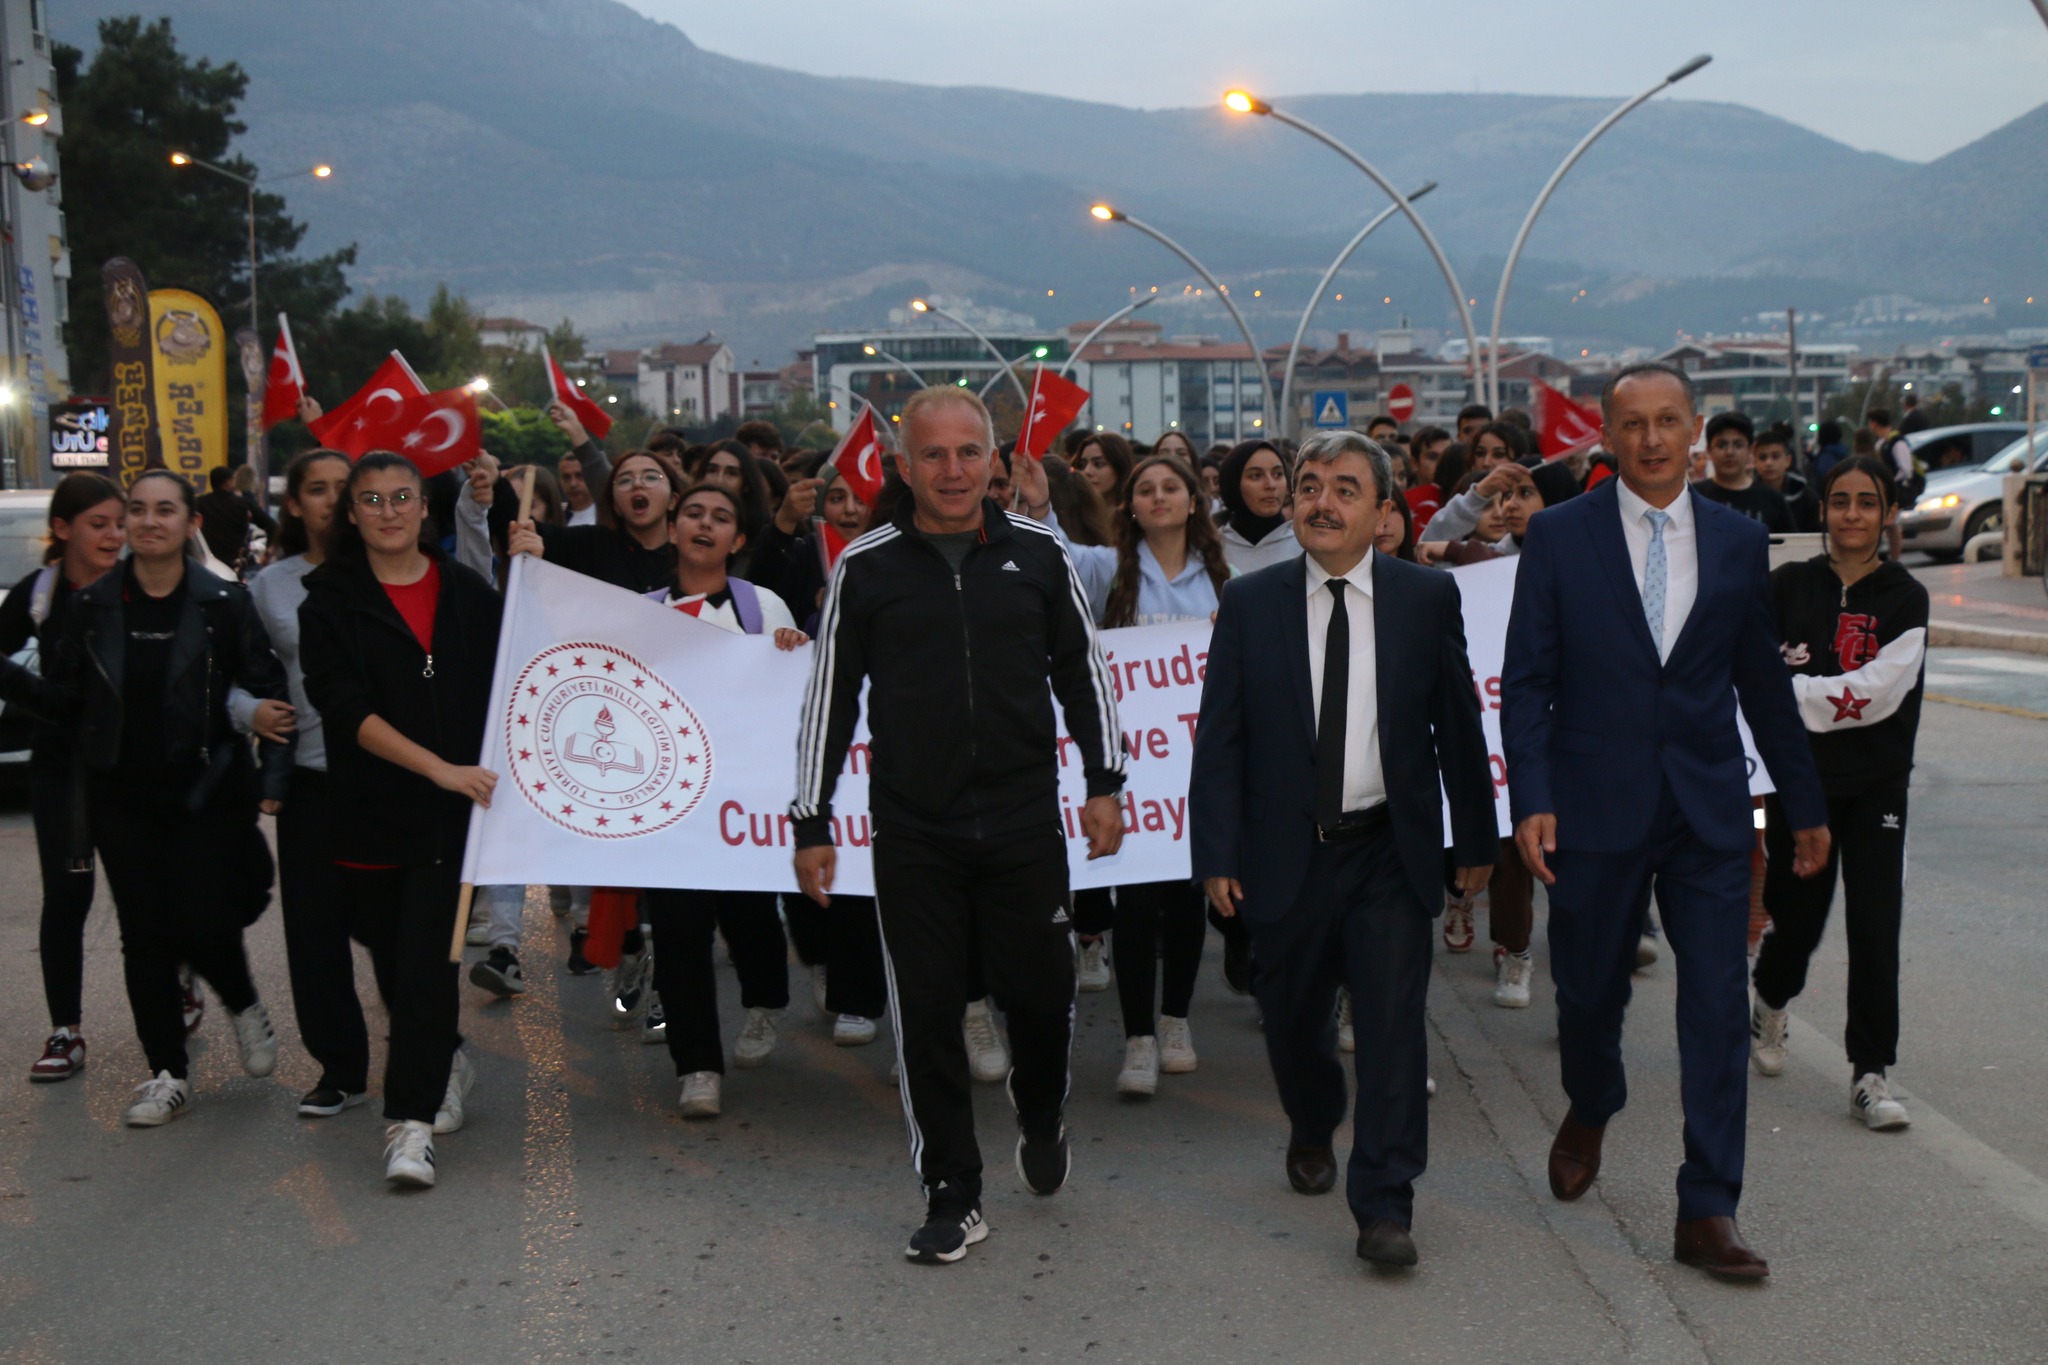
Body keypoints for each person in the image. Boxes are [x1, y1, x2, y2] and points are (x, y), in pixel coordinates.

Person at [1501, 361, 1830, 1280]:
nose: (1651, 438)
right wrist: (1532, 795)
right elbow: (1526, 679)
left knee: (1718, 1007)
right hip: (1592, 807)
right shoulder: (1560, 536)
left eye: (1668, 421)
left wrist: (1802, 803)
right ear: (1606, 435)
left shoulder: (1734, 539)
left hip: (1707, 812)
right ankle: (1592, 1099)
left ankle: (1708, 1206)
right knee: (1591, 993)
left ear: (1695, 431)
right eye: (1632, 422)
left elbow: (1760, 677)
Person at [790, 384, 1125, 1265]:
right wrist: (811, 818)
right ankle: (953, 1190)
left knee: (1043, 997)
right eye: (931, 455)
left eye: (966, 453)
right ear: (904, 467)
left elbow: (1084, 676)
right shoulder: (865, 567)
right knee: (929, 1012)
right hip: (914, 830)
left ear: (997, 463)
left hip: (1022, 824)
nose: (950, 470)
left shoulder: (1042, 555)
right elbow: (829, 701)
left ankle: (1042, 1104)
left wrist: (1105, 781)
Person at [1190, 429, 1497, 1270]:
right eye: (1310, 485)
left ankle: (1386, 1204)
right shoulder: (1251, 604)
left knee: (1395, 1026)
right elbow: (1220, 739)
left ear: (1382, 510)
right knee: (1293, 1022)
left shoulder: (1424, 598)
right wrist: (1215, 850)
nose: (1322, 501)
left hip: (1385, 852)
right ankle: (1312, 1117)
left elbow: (1458, 729)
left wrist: (1474, 839)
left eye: (1345, 488)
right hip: (1282, 853)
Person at [0, 471, 294, 1125]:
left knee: (203, 918)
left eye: (165, 510)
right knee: (145, 934)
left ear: (190, 522)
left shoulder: (223, 602)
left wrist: (273, 783)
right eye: (137, 510)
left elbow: (266, 685)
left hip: (206, 790)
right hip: (119, 795)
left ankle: (242, 999)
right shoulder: (92, 605)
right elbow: (67, 705)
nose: (148, 521)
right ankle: (166, 1071)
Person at [300, 451, 503, 1188]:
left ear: (426, 507)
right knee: (392, 960)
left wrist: (538, 570)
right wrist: (435, 765)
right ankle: (443, 1056)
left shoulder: (470, 592)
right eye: (371, 499)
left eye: (402, 497)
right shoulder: (326, 599)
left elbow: (521, 667)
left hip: (453, 822)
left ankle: (409, 1126)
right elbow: (345, 708)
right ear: (351, 514)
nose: (388, 511)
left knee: (425, 969)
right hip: (368, 816)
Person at [1019, 451, 1228, 1095]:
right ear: (1129, 506)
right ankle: (1137, 1038)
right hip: (1133, 762)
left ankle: (1175, 1021)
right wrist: (1038, 504)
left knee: (1188, 895)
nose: (1159, 497)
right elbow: (1052, 551)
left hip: (1197, 761)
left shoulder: (1226, 582)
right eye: (1146, 489)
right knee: (1135, 897)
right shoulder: (1108, 568)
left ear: (1194, 502)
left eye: (1172, 488)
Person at [1750, 456, 1928, 1131]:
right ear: (1822, 509)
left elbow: (1876, 692)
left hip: (1879, 784)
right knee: (1796, 917)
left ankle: (1871, 1072)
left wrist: (1788, 693)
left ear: (1887, 513)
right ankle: (1768, 999)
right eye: (1840, 500)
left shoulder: (1907, 597)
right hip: (1802, 783)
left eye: (1867, 501)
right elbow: (1750, 670)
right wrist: (1782, 699)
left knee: (1876, 926)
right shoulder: (1787, 585)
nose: (1853, 513)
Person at [643, 482, 815, 1116]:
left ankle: (765, 1000)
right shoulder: (643, 610)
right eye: (693, 514)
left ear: (738, 540)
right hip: (671, 806)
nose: (705, 525)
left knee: (750, 920)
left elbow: (795, 686)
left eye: (721, 518)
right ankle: (697, 1067)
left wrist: (791, 648)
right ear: (673, 529)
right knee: (679, 932)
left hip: (745, 797)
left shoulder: (761, 605)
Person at [248, 450, 381, 1117]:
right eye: (317, 489)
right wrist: (248, 711)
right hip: (309, 780)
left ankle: (436, 1048)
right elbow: (242, 673)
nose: (332, 499)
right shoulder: (269, 586)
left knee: (393, 928)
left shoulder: (389, 571)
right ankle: (341, 1067)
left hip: (390, 778)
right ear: (295, 504)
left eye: (343, 488)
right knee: (314, 929)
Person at [11, 473, 125, 1082]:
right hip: (63, 770)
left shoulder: (140, 586)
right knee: (66, 899)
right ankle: (66, 1030)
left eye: (118, 523)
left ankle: (177, 990)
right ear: (62, 530)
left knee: (151, 893)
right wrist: (42, 699)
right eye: (98, 524)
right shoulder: (38, 592)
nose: (113, 535)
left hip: (134, 765)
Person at [1693, 413, 1797, 532]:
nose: (1730, 452)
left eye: (1738, 445)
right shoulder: (1694, 496)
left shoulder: (1773, 500)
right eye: (1722, 445)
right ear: (1709, 451)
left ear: (1750, 450)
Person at [1216, 439, 1300, 573]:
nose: (1270, 485)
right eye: (1256, 476)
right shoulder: (1213, 549)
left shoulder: (1306, 546)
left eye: (1278, 474)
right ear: (1233, 483)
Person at [195, 464, 277, 573]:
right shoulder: (242, 504)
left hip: (206, 563)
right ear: (228, 482)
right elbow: (272, 526)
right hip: (235, 563)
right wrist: (268, 553)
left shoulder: (200, 503)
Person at [1751, 426, 1816, 532]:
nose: (1768, 463)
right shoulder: (1748, 495)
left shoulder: (1805, 496)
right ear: (1755, 462)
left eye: (1775, 456)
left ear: (1788, 460)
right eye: (1762, 457)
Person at [1073, 433, 1135, 515]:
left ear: (1120, 467)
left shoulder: (1138, 518)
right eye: (1082, 465)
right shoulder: (1070, 517)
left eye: (1098, 464)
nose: (1086, 471)